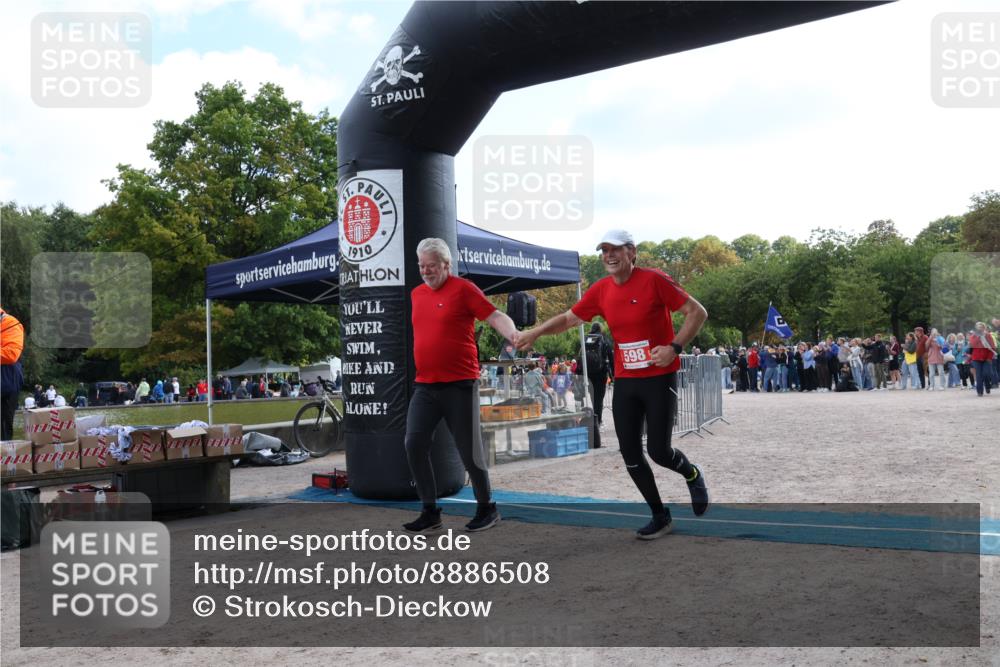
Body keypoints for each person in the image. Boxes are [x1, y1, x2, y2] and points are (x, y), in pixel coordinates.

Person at [517, 229, 709, 540]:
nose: (609, 256)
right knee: (630, 453)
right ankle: (660, 515)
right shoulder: (601, 290)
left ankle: (692, 473)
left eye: (615, 250)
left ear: (632, 252)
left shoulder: (654, 279)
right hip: (626, 382)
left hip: (659, 378)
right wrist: (535, 333)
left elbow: (697, 312)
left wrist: (674, 346)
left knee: (659, 451)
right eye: (604, 250)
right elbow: (568, 319)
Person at [402, 238, 519, 534]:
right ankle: (430, 510)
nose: (426, 271)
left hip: (460, 384)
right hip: (425, 386)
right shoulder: (416, 294)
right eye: (422, 266)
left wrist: (513, 334)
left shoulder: (463, 289)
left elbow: (494, 315)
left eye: (431, 266)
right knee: (413, 443)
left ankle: (487, 507)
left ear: (446, 265)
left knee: (469, 452)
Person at [0, 306, 25, 441]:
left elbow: (11, 354)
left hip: (7, 381)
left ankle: (4, 458)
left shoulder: (10, 323)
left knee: (4, 425)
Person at [585, 322, 614, 424]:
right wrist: (613, 374)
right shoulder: (604, 340)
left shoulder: (586, 339)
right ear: (600, 329)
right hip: (601, 373)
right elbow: (611, 357)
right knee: (599, 398)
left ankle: (594, 418)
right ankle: (598, 420)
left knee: (593, 397)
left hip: (588, 374)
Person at [968, 321, 996, 397]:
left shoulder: (988, 335)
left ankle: (987, 385)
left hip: (987, 358)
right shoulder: (973, 336)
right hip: (976, 358)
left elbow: (992, 347)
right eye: (978, 327)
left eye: (981, 327)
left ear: (984, 328)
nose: (980, 328)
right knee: (979, 374)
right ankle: (979, 391)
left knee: (986, 373)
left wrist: (989, 358)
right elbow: (972, 345)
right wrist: (979, 337)